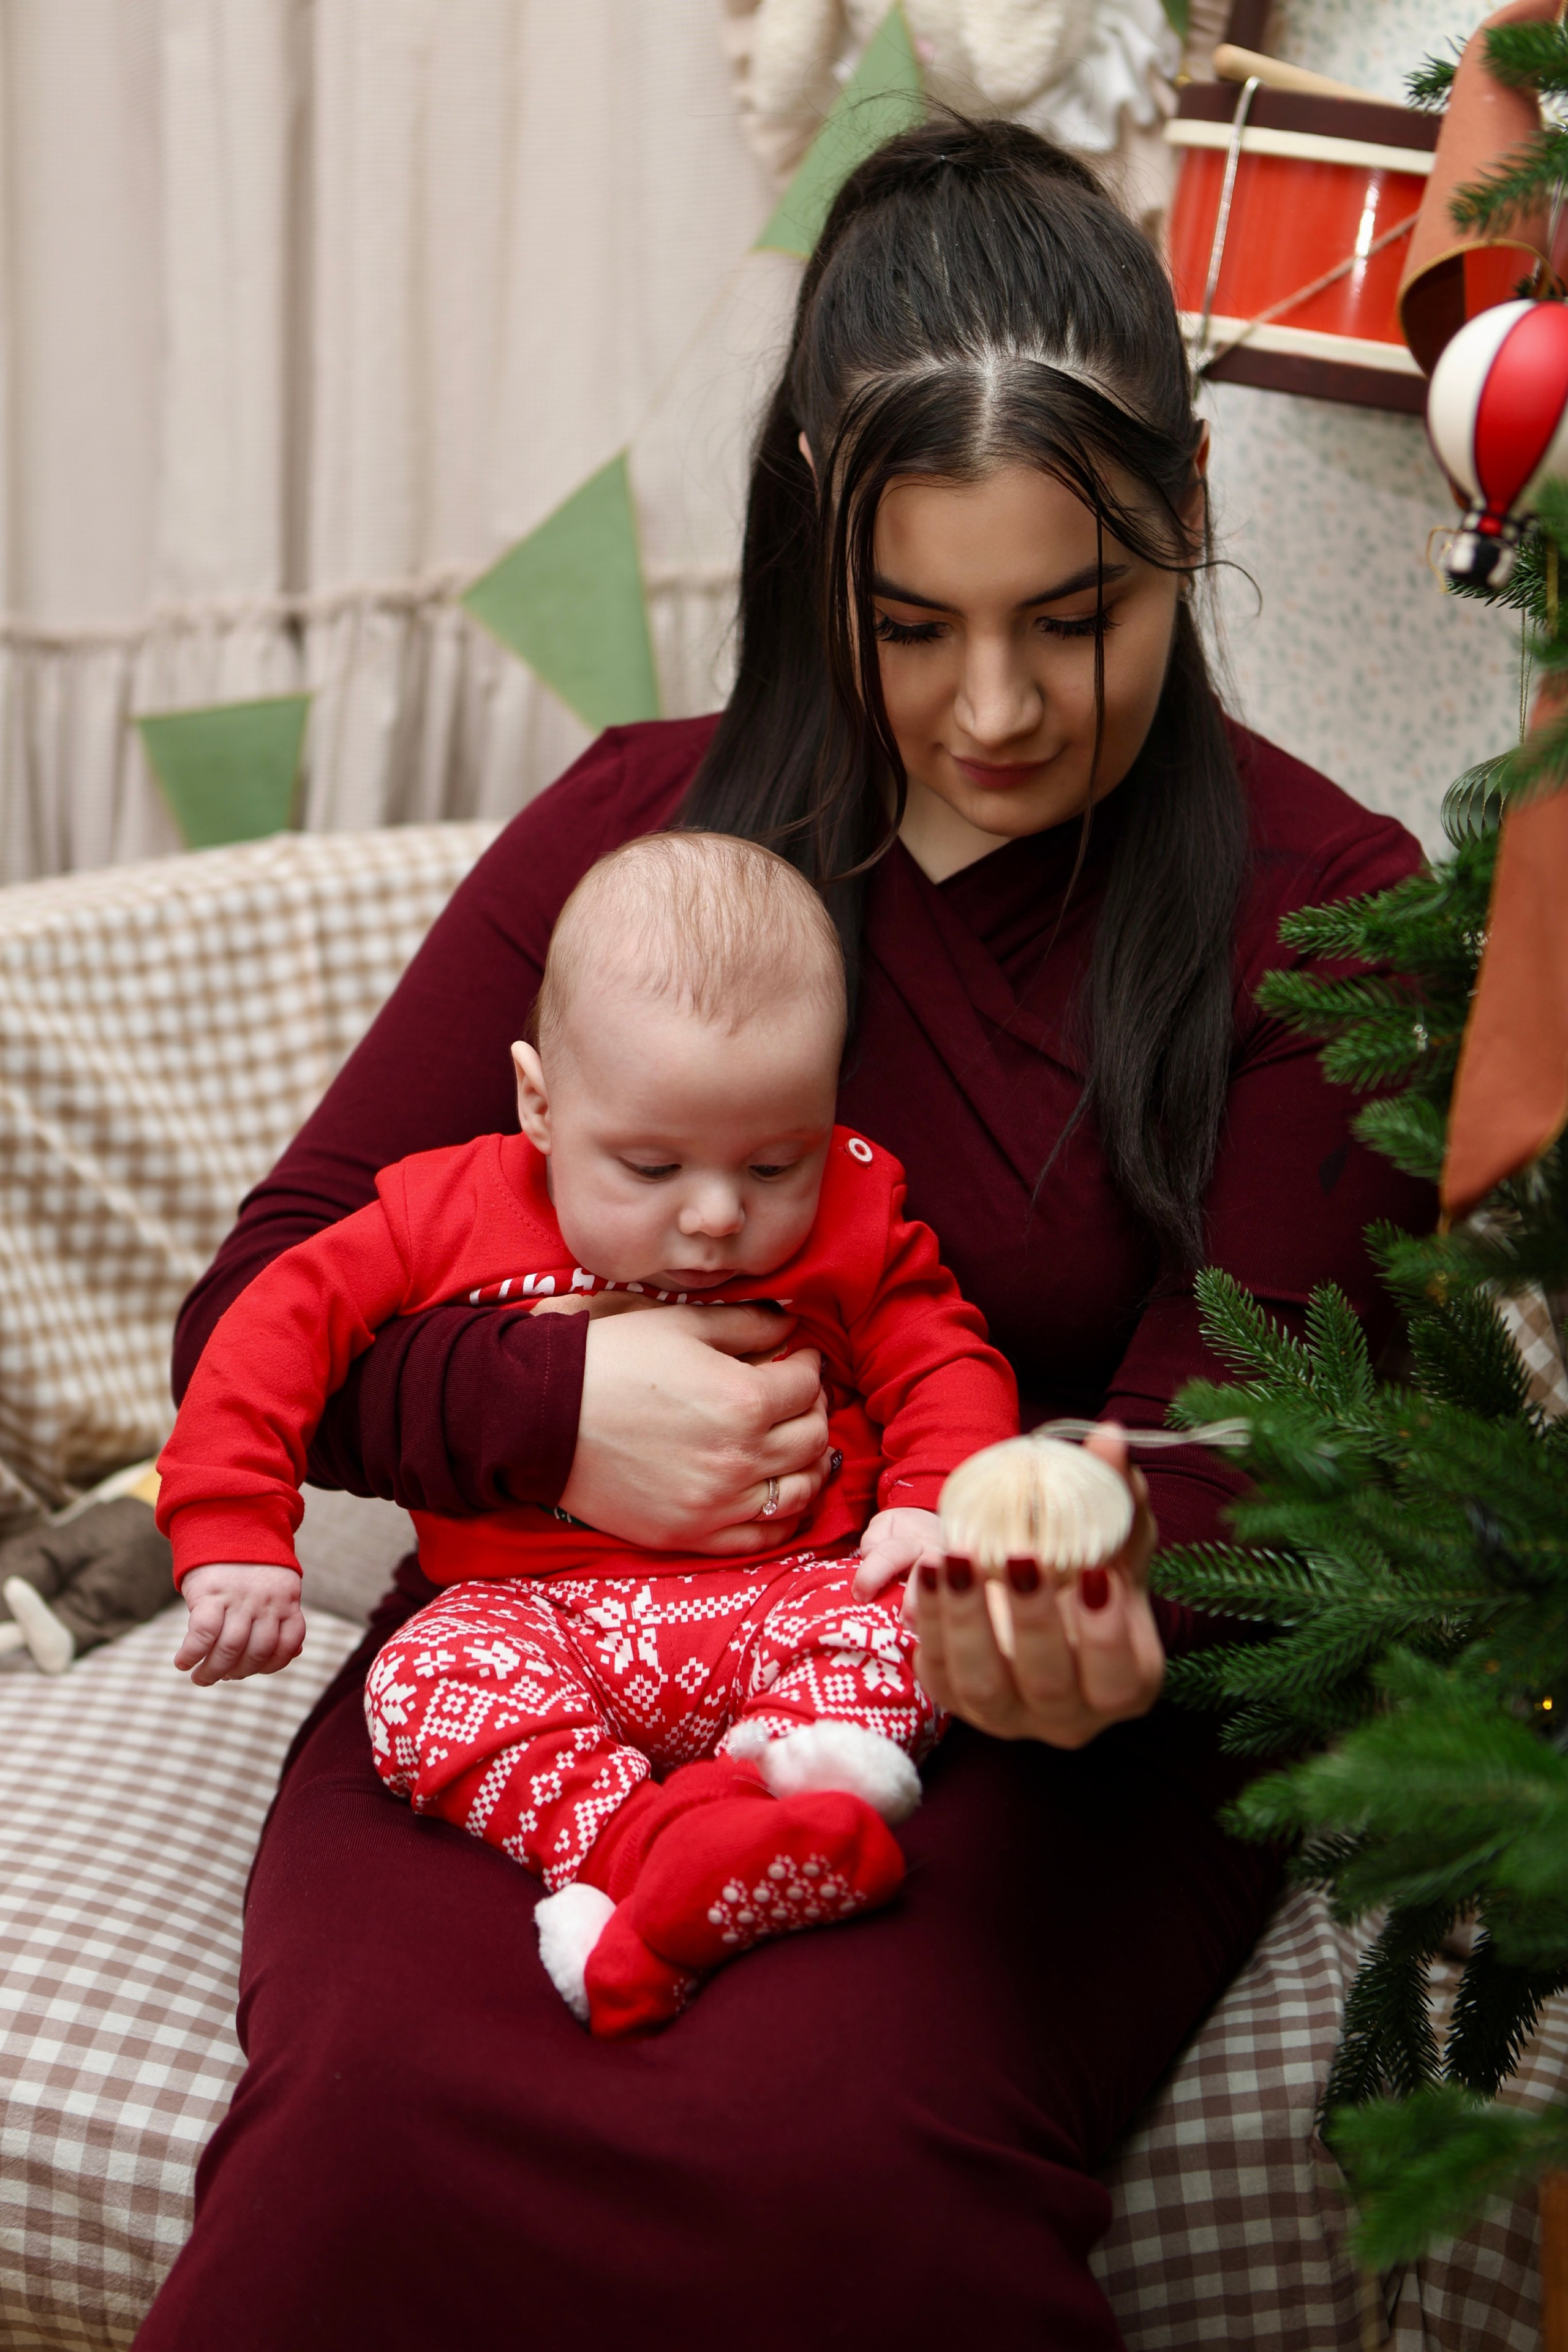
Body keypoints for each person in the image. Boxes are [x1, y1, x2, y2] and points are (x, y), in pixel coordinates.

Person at [135, 118, 1431, 2351]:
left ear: (1192, 514)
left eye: (1080, 616)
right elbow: (259, 1301)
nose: (997, 709)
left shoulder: (1329, 910)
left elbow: (1251, 1463)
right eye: (911, 623)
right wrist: (555, 1415)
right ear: (805, 539)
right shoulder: (636, 834)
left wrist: (1101, 1578)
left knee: (824, 2139)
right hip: (551, 1649)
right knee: (373, 2116)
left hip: (1023, 1740)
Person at [157, 831, 1021, 2038]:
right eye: (651, 1164)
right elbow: (270, 1334)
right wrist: (235, 1532)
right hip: (539, 1617)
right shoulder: (441, 1210)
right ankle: (626, 1843)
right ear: (541, 1105)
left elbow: (944, 1358)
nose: (717, 1216)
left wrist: (930, 1504)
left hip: (785, 1593)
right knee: (419, 1678)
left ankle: (760, 1800)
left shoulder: (856, 1209)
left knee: (917, 1614)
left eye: (773, 1161)